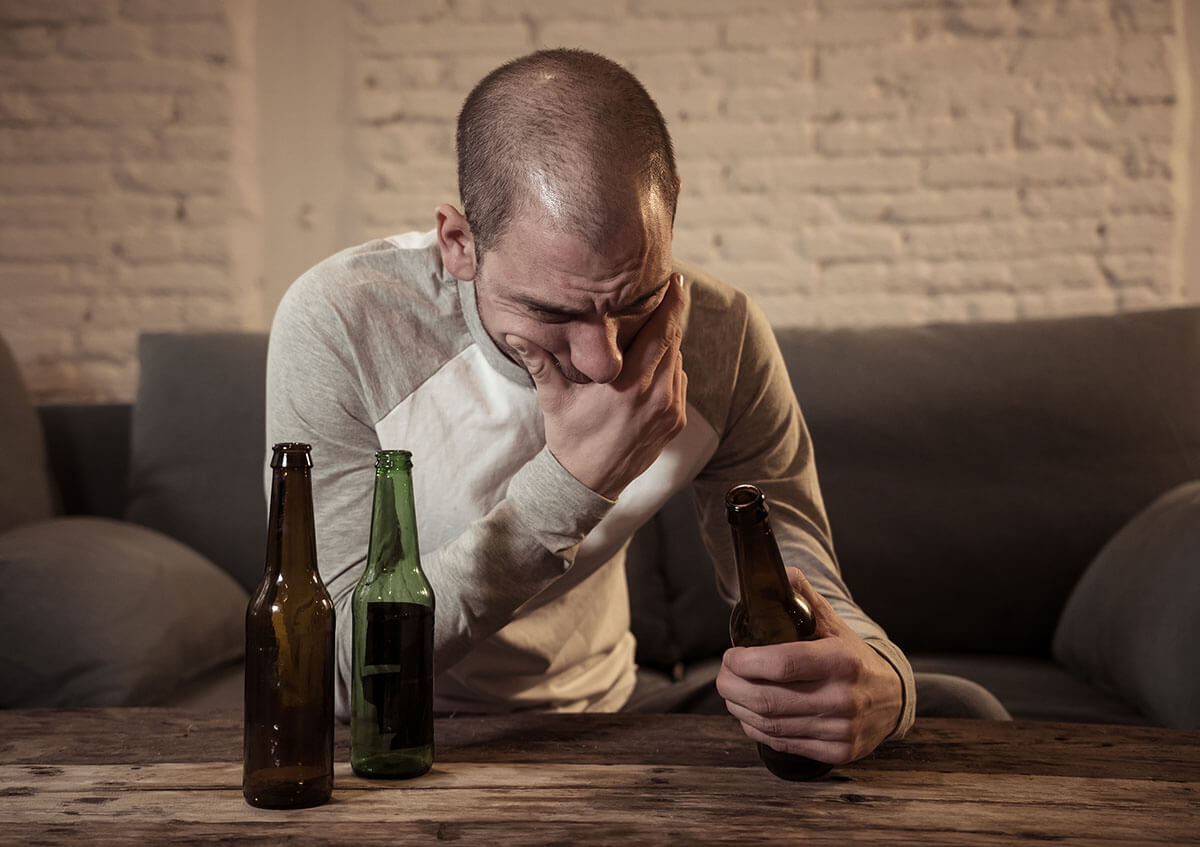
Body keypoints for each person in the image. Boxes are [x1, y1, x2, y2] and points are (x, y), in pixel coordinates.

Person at [266, 48, 915, 766]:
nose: (603, 358)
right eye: (551, 310)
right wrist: (569, 486)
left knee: (962, 707)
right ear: (459, 242)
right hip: (407, 730)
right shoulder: (342, 321)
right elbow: (333, 672)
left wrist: (884, 680)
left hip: (613, 714)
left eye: (635, 301)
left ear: (672, 206)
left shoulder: (723, 337)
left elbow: (805, 588)